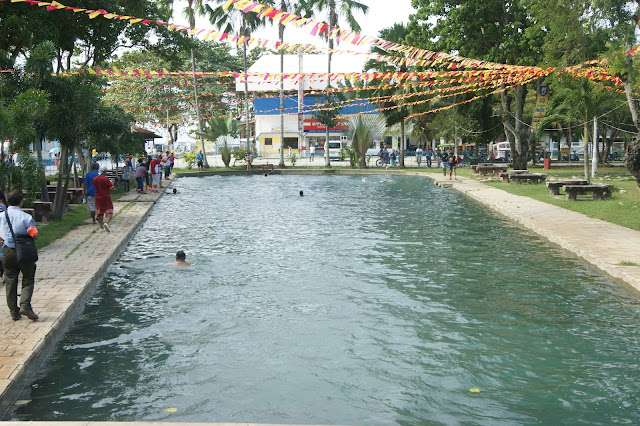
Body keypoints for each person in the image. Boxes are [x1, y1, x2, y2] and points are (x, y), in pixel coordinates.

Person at [1, 190, 38, 321]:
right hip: (24, 252)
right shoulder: (25, 217)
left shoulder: (1, 216)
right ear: (21, 201)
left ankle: (14, 313)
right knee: (28, 278)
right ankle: (25, 305)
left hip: (7, 251)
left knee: (10, 281)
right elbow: (34, 234)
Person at [93, 166, 115, 232]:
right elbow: (111, 187)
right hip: (106, 197)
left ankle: (101, 228)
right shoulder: (105, 179)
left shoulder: (95, 179)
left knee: (100, 212)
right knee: (110, 211)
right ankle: (106, 223)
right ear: (104, 171)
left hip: (98, 197)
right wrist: (112, 182)